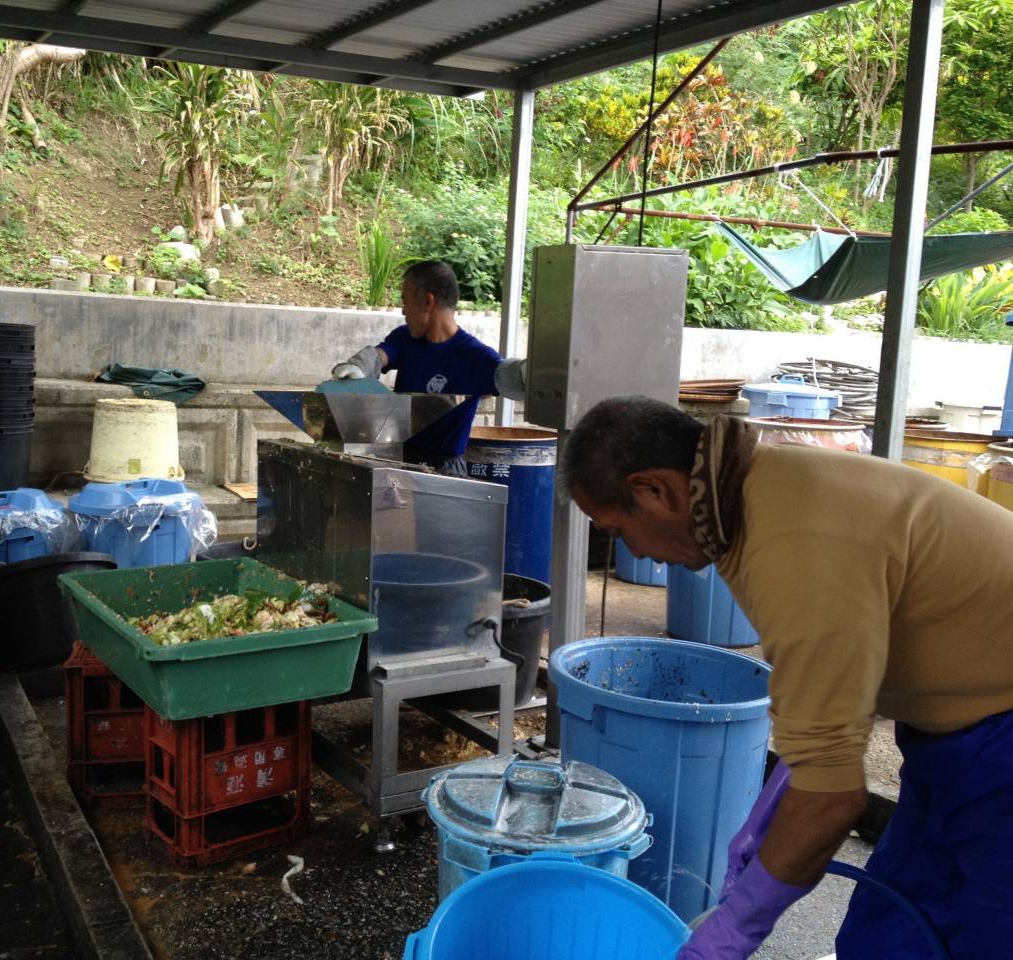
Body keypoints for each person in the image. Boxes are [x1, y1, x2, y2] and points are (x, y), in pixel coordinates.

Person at [562, 396, 1013, 960]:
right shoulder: (755, 494)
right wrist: (776, 807)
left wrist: (734, 930)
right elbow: (837, 682)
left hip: (1001, 741)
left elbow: (831, 799)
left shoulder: (792, 541)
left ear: (657, 490)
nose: (637, 554)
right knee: (892, 929)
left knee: (991, 935)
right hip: (956, 740)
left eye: (618, 529)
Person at [331, 260, 525, 476]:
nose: (403, 310)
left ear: (427, 301)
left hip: (445, 474)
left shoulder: (474, 357)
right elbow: (379, 356)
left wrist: (536, 373)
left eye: (405, 301)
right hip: (398, 462)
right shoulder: (404, 338)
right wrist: (358, 367)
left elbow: (508, 375)